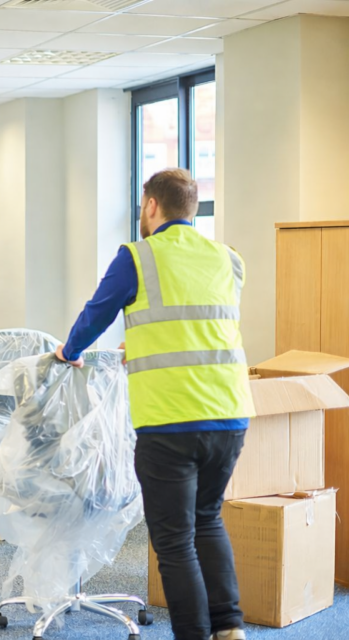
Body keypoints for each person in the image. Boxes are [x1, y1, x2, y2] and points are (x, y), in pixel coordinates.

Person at [55, 168, 253, 640]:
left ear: (150, 205)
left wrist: (70, 351)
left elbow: (96, 313)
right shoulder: (227, 258)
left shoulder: (137, 257)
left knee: (173, 540)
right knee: (208, 518)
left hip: (170, 421)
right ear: (193, 208)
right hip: (229, 415)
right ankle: (230, 627)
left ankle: (193, 634)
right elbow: (198, 323)